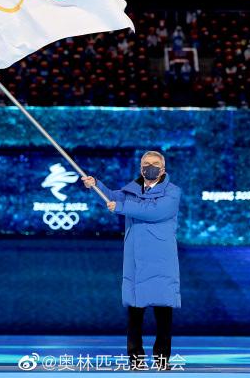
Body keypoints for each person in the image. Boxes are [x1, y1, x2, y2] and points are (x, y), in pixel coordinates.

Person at [81, 151, 182, 371]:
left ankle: (162, 360)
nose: (150, 166)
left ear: (163, 168)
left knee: (163, 312)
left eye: (155, 163)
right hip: (136, 260)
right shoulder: (131, 191)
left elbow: (155, 212)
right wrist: (95, 184)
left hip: (161, 259)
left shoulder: (172, 192)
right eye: (146, 163)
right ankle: (136, 359)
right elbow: (111, 197)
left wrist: (121, 208)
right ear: (140, 167)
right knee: (135, 313)